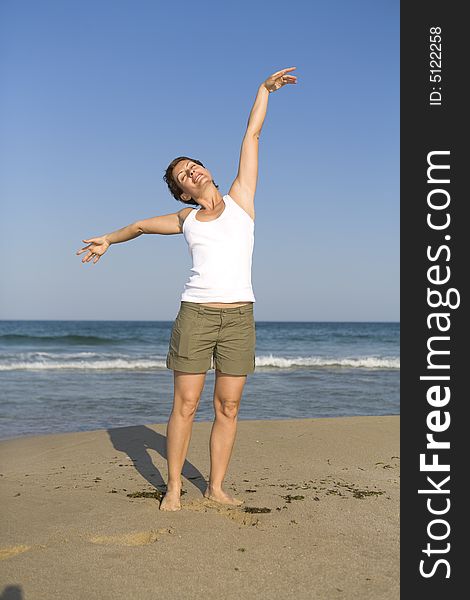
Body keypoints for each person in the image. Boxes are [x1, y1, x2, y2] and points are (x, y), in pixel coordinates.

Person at [76, 67, 297, 511]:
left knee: (229, 407)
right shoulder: (185, 220)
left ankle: (215, 487)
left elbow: (251, 137)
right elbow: (139, 226)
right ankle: (174, 486)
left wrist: (263, 91)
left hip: (239, 316)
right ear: (182, 193)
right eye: (183, 175)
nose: (190, 171)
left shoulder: (242, 198)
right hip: (196, 313)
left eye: (192, 165)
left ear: (207, 170)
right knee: (186, 405)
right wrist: (108, 240)